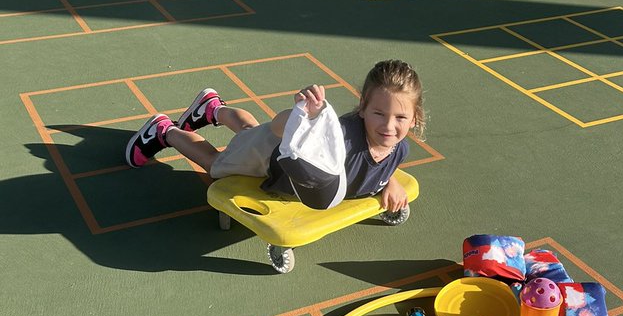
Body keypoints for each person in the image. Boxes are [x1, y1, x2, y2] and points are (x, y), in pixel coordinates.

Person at [125, 60, 424, 223]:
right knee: (215, 164)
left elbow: (378, 165)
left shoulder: (399, 148)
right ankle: (165, 130)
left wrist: (391, 181)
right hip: (271, 153)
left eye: (400, 117)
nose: (388, 125)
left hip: (270, 146)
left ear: (414, 118)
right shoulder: (336, 136)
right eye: (379, 113)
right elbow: (281, 129)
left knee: (250, 132)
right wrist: (302, 113)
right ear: (362, 109)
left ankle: (212, 108)